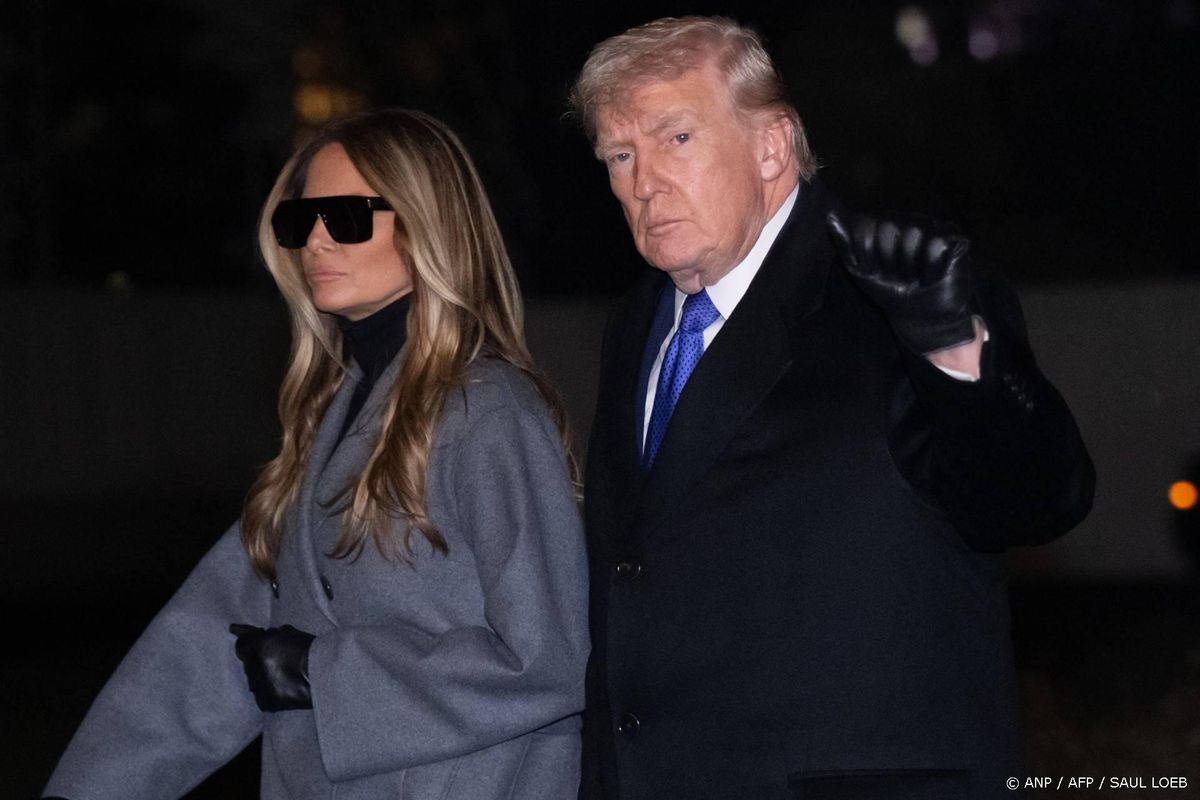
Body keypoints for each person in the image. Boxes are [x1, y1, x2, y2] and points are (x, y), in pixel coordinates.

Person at [568, 16, 1094, 800]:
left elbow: (1038, 499)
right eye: (620, 155)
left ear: (772, 147)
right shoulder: (638, 322)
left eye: (676, 138)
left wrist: (956, 353)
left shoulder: (897, 288)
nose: (644, 181)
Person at [42, 108, 589, 800]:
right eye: (301, 220)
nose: (316, 241)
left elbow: (550, 659)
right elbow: (207, 648)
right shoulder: (330, 416)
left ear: (426, 222)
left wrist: (321, 673)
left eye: (348, 216)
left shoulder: (488, 412)